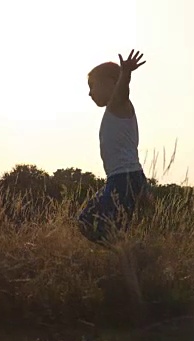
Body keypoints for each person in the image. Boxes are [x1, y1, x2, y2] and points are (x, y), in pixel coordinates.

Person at [77, 49, 151, 249]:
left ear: (111, 82)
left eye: (92, 86)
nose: (90, 92)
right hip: (124, 179)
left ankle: (127, 256)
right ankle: (127, 255)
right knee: (91, 222)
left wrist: (125, 74)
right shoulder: (115, 110)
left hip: (124, 179)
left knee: (88, 222)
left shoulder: (119, 105)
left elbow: (122, 91)